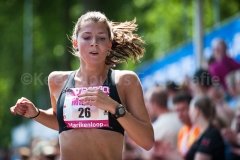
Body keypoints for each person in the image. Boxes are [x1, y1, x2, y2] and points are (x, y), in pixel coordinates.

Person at [10, 11, 154, 160]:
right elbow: (62, 123)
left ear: (109, 45)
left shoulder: (125, 81)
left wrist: (114, 107)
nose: (94, 43)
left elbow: (147, 141)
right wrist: (36, 113)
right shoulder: (56, 80)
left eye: (101, 38)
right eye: (86, 37)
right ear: (75, 43)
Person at [185, 95, 225, 160]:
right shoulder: (205, 132)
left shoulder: (210, 135)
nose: (189, 113)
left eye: (190, 110)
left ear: (196, 111)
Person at [172, 92, 200, 158]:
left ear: (192, 108)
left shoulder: (201, 128)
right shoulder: (182, 132)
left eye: (183, 109)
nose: (180, 114)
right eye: (177, 110)